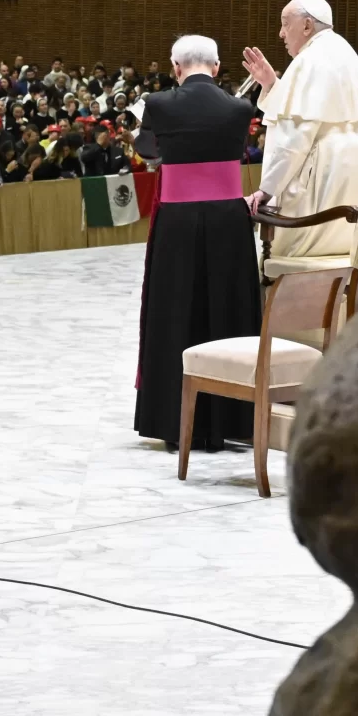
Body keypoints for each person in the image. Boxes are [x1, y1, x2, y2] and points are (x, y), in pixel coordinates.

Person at [132, 34, 262, 453]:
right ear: (219, 68)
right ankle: (231, 419)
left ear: (175, 67)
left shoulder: (159, 104)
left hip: (177, 223)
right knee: (228, 311)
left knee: (176, 313)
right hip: (228, 222)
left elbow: (147, 148)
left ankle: (174, 422)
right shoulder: (241, 107)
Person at [242, 0, 358, 260]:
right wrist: (272, 85)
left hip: (324, 170)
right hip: (355, 164)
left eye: (285, 23)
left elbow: (296, 137)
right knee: (343, 249)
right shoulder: (341, 50)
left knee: (301, 254)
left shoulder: (310, 59)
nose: (281, 33)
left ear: (306, 25)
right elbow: (316, 113)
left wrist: (266, 190)